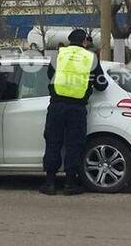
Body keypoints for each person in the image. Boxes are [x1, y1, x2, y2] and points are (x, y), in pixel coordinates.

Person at [40, 29, 108, 196]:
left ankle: (49, 183)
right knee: (74, 145)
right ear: (85, 40)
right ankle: (70, 184)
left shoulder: (59, 54)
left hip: (56, 105)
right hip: (77, 108)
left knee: (53, 142)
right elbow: (102, 84)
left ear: (70, 41)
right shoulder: (90, 57)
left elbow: (50, 75)